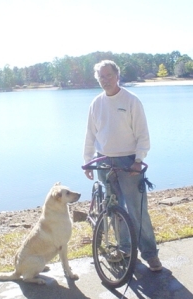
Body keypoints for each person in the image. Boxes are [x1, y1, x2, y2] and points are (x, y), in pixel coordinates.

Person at [83, 60, 162, 272]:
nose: (105, 80)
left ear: (117, 76)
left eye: (109, 75)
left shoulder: (131, 100)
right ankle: (125, 249)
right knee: (113, 210)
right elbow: (90, 134)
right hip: (104, 162)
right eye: (101, 77)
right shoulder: (96, 103)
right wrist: (87, 161)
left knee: (138, 211)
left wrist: (138, 160)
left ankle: (150, 254)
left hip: (129, 163)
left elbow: (142, 135)